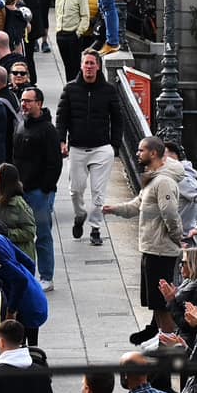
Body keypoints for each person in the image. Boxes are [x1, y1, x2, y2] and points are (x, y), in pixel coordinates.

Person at [103, 138, 184, 341]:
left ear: (154, 154)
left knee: (161, 301)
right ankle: (159, 335)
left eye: (141, 150)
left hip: (161, 249)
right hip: (151, 247)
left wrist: (177, 238)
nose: (137, 154)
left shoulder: (163, 181)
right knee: (154, 300)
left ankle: (169, 341)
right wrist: (114, 209)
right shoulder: (153, 178)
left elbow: (170, 214)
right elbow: (137, 204)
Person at [56, 49, 117, 249]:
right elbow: (62, 116)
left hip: (101, 147)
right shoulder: (70, 89)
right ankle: (80, 214)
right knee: (75, 190)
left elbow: (118, 120)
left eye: (92, 63)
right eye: (86, 63)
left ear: (98, 66)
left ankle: (95, 228)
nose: (89, 67)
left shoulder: (108, 90)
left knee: (98, 192)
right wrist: (61, 140)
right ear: (81, 66)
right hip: (77, 148)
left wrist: (114, 146)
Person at [12, 84, 63, 290]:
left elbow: (55, 162)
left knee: (42, 234)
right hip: (22, 190)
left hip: (39, 192)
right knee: (24, 234)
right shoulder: (21, 124)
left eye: (28, 101)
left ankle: (46, 276)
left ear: (39, 104)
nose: (24, 104)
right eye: (22, 100)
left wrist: (46, 188)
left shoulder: (48, 130)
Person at [52, 0, 90, 80]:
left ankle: (76, 86)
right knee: (66, 65)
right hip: (60, 34)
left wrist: (78, 32)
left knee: (75, 65)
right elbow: (57, 14)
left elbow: (85, 16)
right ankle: (69, 86)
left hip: (73, 34)